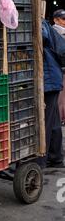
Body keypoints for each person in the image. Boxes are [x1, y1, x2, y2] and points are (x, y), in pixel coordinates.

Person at [42, 18, 65, 168]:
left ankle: (40, 160)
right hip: (51, 79)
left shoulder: (42, 25)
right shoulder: (46, 24)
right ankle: (55, 157)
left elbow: (42, 37)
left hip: (48, 81)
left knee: (45, 121)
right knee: (53, 119)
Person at [52, 10, 65, 124]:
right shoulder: (55, 32)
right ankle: (61, 118)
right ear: (55, 20)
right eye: (63, 19)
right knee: (61, 96)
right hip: (60, 69)